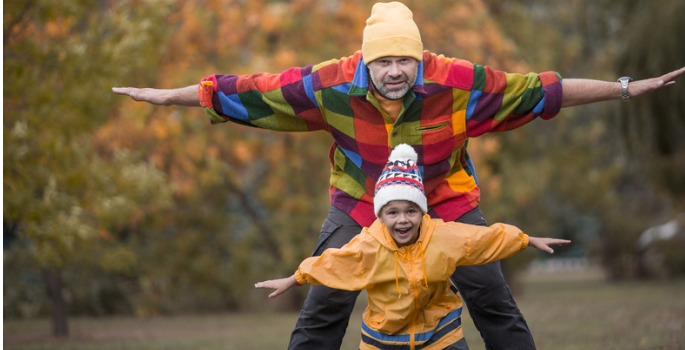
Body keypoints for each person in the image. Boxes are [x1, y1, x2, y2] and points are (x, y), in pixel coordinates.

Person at [112, 2, 685, 349]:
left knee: (490, 295)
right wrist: (169, 97)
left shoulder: (459, 83)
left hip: (445, 195)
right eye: (382, 61)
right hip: (361, 197)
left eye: (403, 61)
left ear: (418, 59)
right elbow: (245, 94)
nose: (393, 72)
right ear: (366, 61)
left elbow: (542, 91)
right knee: (326, 302)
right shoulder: (329, 85)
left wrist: (630, 87)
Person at [255, 144, 571, 350]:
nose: (402, 220)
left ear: (422, 212)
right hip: (383, 340)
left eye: (410, 211)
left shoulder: (443, 237)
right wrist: (294, 278)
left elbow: (484, 240)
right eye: (392, 212)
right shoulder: (367, 246)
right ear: (381, 215)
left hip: (441, 335)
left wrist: (526, 239)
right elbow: (332, 264)